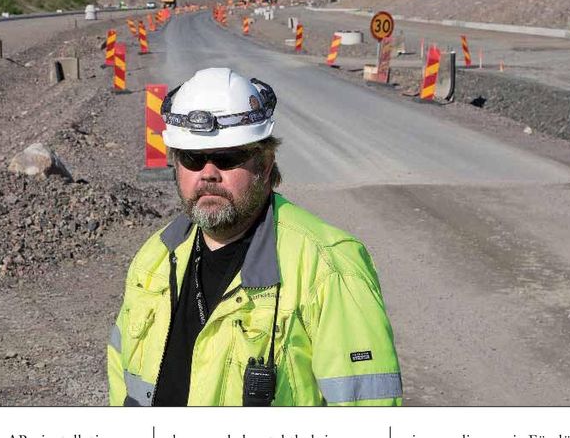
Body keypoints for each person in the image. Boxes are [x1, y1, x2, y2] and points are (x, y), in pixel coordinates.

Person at [108, 67, 401, 407]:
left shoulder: (328, 268)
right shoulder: (155, 258)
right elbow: (122, 378)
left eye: (228, 157)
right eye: (192, 158)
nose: (208, 174)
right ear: (175, 164)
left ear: (264, 164)